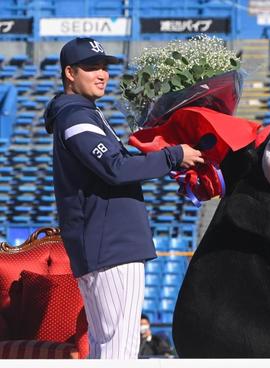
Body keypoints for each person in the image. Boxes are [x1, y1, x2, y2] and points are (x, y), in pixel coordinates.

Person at [44, 37, 204, 359]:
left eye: (104, 66)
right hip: (111, 246)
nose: (102, 74)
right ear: (70, 73)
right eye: (92, 67)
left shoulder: (83, 112)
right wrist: (172, 156)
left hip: (104, 243)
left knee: (105, 349)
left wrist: (160, 155)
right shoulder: (75, 116)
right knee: (120, 350)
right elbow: (114, 169)